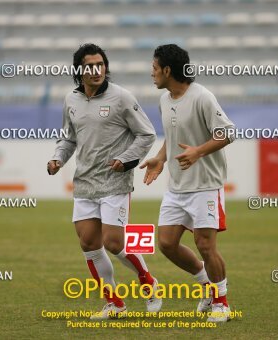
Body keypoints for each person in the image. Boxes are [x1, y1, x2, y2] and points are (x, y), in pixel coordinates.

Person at [48, 43, 161, 319]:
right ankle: (114, 303)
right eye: (90, 66)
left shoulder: (121, 97)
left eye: (101, 64)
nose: (96, 70)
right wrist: (58, 159)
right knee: (88, 243)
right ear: (79, 70)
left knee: (113, 242)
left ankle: (148, 281)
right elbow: (68, 138)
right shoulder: (71, 100)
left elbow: (146, 134)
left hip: (114, 181)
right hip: (85, 183)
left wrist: (125, 159)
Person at [141, 44, 236, 322]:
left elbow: (228, 133)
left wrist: (198, 151)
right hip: (177, 187)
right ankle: (207, 284)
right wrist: (160, 158)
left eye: (155, 68)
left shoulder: (202, 97)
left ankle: (221, 303)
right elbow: (172, 139)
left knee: (205, 245)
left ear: (168, 70)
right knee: (167, 243)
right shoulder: (164, 100)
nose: (152, 73)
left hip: (206, 184)